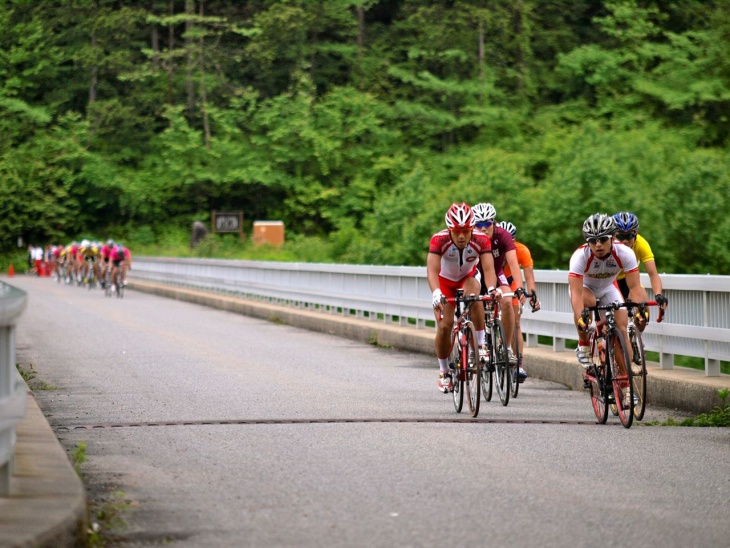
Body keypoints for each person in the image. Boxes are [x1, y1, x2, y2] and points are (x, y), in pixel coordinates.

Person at [568, 213, 648, 407]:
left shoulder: (624, 253)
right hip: (586, 288)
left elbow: (635, 288)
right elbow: (577, 295)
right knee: (587, 309)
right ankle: (584, 343)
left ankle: (627, 388)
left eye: (603, 239)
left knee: (621, 330)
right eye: (593, 241)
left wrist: (639, 309)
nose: (598, 245)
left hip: (608, 287)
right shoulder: (580, 256)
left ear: (612, 238)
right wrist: (581, 319)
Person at [428, 203, 499, 393]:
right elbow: (432, 270)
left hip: (468, 278)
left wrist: (491, 288)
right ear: (450, 229)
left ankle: (482, 343)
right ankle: (444, 371)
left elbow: (488, 269)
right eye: (457, 231)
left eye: (466, 231)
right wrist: (436, 293)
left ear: (472, 229)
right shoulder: (439, 240)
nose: (461, 236)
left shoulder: (481, 240)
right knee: (445, 326)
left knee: (475, 297)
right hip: (445, 282)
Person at [471, 203, 527, 368]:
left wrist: (519, 287)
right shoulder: (470, 237)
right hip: (474, 276)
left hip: (496, 274)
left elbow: (513, 263)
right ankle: (473, 345)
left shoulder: (503, 235)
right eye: (478, 225)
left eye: (487, 224)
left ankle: (507, 348)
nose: (483, 229)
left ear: (494, 222)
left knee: (508, 302)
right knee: (472, 303)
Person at [498, 221, 541, 382]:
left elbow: (529, 277)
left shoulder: (521, 250)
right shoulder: (491, 247)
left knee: (515, 322)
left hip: (511, 282)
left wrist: (533, 297)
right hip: (495, 279)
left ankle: (518, 364)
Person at [612, 211, 668, 324]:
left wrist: (658, 294)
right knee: (613, 321)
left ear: (636, 233)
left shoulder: (641, 244)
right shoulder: (608, 245)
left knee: (643, 310)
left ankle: (635, 339)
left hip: (629, 280)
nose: (625, 241)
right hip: (609, 280)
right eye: (620, 236)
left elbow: (653, 274)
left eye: (629, 236)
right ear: (613, 236)